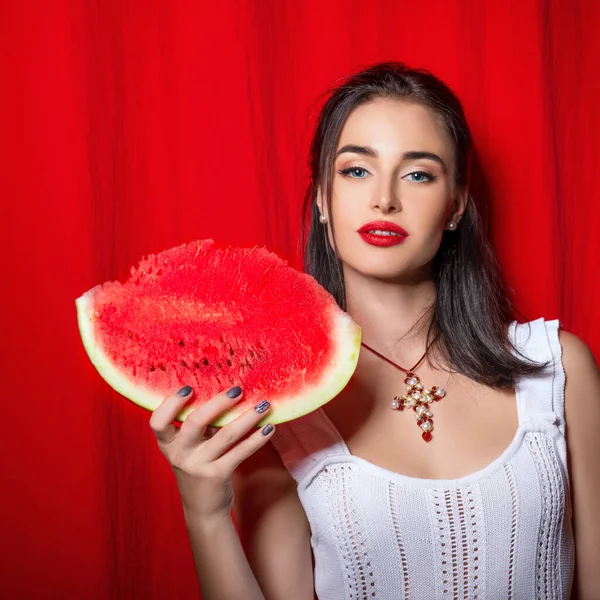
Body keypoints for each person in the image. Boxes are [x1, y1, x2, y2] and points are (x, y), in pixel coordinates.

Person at [149, 62, 600, 599]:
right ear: (322, 197)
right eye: (356, 170)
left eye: (419, 174)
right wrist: (204, 511)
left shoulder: (558, 369)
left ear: (455, 206)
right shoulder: (278, 409)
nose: (384, 198)